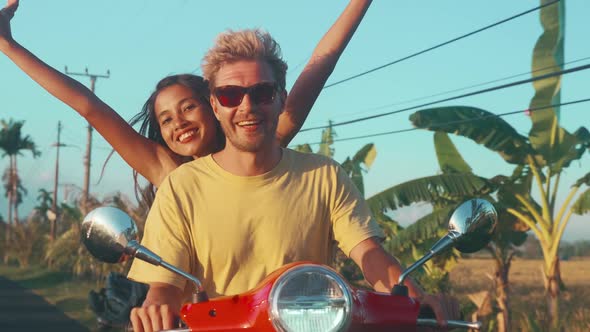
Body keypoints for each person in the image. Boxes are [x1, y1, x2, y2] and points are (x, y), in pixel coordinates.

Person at [127, 28, 459, 332]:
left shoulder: (324, 175)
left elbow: (369, 253)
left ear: (281, 98)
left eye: (262, 93)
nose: (247, 106)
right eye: (230, 95)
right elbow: (166, 284)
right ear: (215, 105)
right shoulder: (182, 187)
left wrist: (414, 297)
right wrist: (155, 307)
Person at [0, 0, 373, 194]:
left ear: (214, 106)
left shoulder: (261, 142)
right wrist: (8, 45)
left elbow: (316, 70)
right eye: (165, 119)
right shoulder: (167, 169)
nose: (178, 123)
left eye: (187, 107)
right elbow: (89, 106)